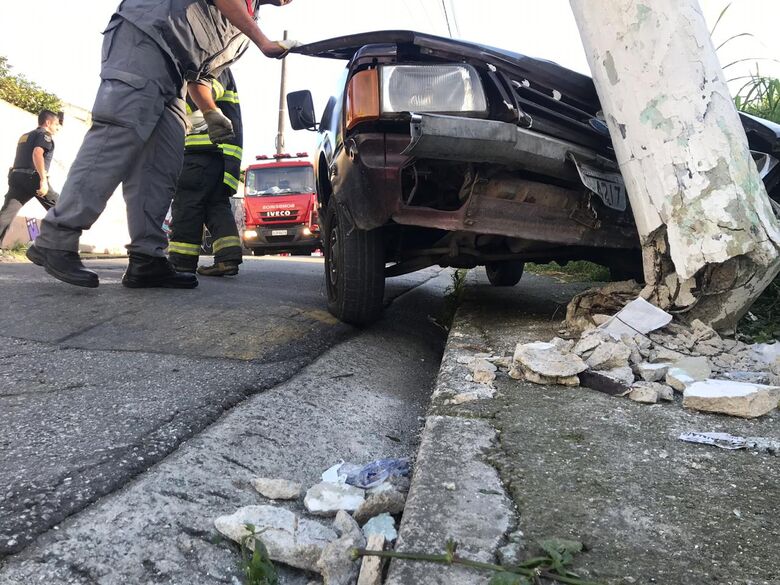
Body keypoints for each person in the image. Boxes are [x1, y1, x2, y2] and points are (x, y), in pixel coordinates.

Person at [26, 0, 294, 289]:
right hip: (146, 39)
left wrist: (210, 111)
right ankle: (57, 238)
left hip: (175, 71)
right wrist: (263, 42)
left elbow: (201, 72)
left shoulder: (245, 21)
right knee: (119, 134)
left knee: (161, 162)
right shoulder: (246, 18)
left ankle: (147, 258)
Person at [168, 68, 243, 277]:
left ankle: (181, 262)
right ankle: (227, 258)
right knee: (216, 206)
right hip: (221, 155)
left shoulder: (211, 66)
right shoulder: (222, 68)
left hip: (200, 152)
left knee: (187, 205)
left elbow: (201, 95)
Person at [0, 110, 62, 245]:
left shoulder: (25, 135)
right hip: (33, 178)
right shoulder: (45, 135)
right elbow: (37, 153)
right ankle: (54, 248)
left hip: (16, 177)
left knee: (6, 214)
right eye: (57, 124)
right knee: (62, 209)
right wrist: (43, 180)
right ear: (48, 122)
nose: (58, 128)